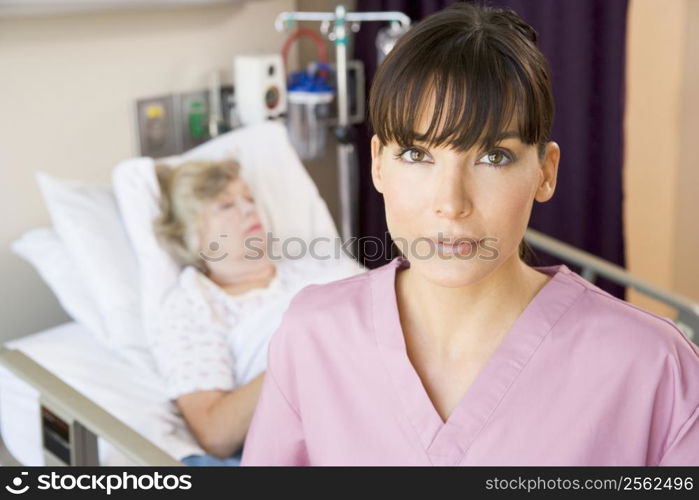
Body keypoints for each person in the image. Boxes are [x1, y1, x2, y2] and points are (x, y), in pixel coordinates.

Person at [240, 3, 699, 466]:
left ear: (545, 172)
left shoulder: (655, 369)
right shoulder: (313, 335)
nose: (451, 202)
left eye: (493, 156)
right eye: (417, 155)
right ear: (377, 163)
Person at [150, 158, 363, 466]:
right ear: (190, 233)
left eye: (248, 199)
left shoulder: (318, 267)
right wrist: (302, 354)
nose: (249, 209)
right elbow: (215, 433)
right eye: (225, 205)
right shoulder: (194, 305)